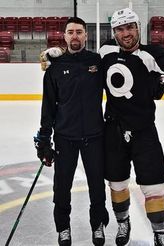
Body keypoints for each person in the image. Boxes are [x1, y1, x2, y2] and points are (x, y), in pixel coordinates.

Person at [39, 8, 164, 246]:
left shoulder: (153, 53)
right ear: (114, 32)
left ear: (138, 27)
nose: (126, 33)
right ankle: (123, 222)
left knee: (152, 185)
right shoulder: (105, 51)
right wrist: (57, 54)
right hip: (112, 130)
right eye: (121, 29)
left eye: (130, 27)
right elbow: (77, 58)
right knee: (117, 184)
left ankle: (160, 234)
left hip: (143, 130)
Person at [34, 17, 109, 246]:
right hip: (65, 138)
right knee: (62, 187)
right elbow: (48, 106)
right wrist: (44, 139)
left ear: (86, 35)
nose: (75, 36)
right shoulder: (55, 67)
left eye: (79, 32)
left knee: (97, 185)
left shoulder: (97, 61)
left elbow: (120, 74)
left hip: (95, 136)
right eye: (70, 32)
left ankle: (98, 225)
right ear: (64, 36)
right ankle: (63, 227)